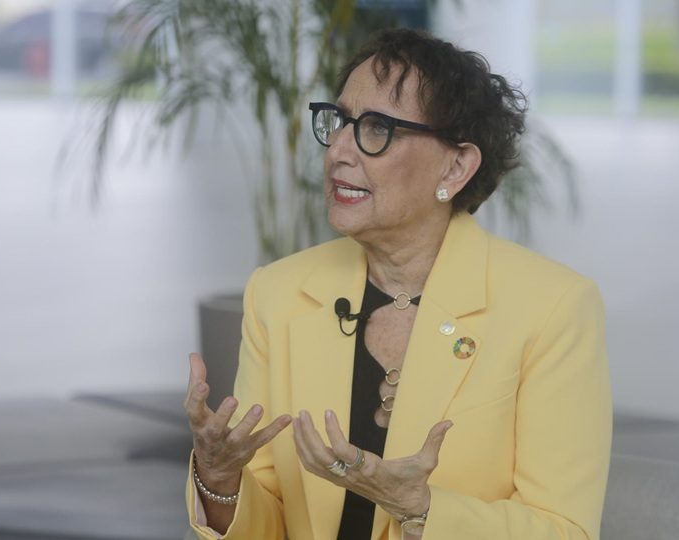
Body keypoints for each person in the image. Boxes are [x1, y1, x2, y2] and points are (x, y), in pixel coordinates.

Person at [184, 28, 611, 540]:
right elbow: (269, 521)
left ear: (456, 165)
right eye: (339, 121)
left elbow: (564, 530)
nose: (339, 149)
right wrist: (219, 478)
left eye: (376, 128)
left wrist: (421, 510)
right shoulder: (279, 293)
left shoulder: (552, 308)